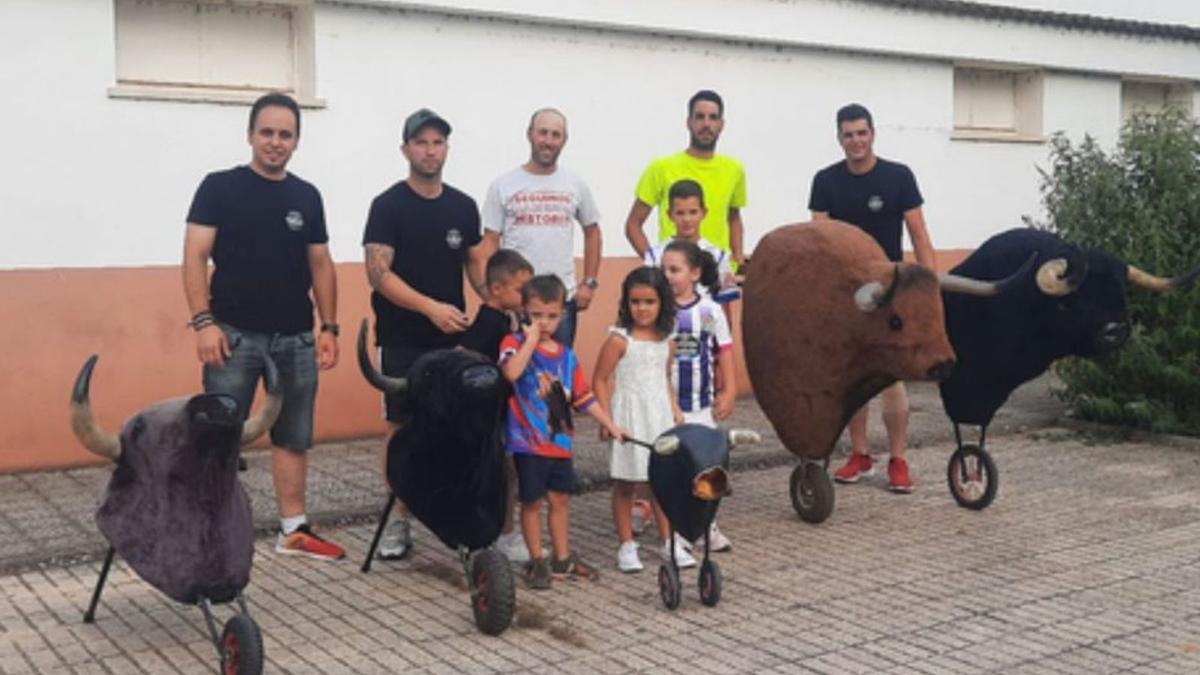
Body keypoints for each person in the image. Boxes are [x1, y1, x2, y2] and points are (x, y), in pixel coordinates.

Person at [182, 92, 344, 561]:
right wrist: (203, 323)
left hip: (294, 337)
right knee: (220, 435)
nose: (275, 142)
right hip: (232, 336)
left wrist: (329, 328)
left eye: (285, 134)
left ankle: (293, 530)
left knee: (293, 434)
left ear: (297, 141)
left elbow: (321, 264)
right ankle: (211, 533)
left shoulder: (306, 196)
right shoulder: (219, 187)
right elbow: (194, 256)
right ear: (251, 135)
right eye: (267, 132)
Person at [363, 108, 489, 559]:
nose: (429, 151)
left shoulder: (462, 206)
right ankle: (398, 523)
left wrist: (498, 302)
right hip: (402, 340)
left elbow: (475, 266)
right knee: (401, 429)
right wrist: (430, 308)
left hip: (451, 343)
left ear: (446, 150)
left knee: (454, 430)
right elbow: (379, 274)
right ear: (405, 149)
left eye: (437, 143)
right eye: (421, 143)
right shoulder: (388, 205)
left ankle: (456, 523)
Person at [808, 102, 935, 494]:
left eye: (862, 133)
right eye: (848, 134)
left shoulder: (898, 177)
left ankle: (898, 459)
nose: (856, 140)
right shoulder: (825, 181)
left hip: (892, 291)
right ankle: (860, 454)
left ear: (873, 134)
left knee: (892, 378)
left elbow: (919, 236)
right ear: (839, 138)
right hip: (849, 294)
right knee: (855, 377)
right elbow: (820, 241)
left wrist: (928, 289)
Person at [500, 275, 627, 589]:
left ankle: (562, 557)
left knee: (560, 500)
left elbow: (583, 397)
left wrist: (608, 423)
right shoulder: (513, 344)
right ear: (524, 313)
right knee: (531, 502)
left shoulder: (567, 356)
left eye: (552, 316)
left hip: (560, 443)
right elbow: (511, 373)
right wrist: (529, 340)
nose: (544, 322)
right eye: (537, 315)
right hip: (528, 445)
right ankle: (536, 558)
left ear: (563, 315)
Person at [593, 267, 692, 573]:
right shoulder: (619, 340)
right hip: (628, 418)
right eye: (635, 302)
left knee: (659, 483)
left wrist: (674, 407)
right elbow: (600, 379)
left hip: (658, 415)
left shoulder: (667, 339)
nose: (642, 309)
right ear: (627, 303)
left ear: (662, 302)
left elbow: (664, 377)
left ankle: (669, 542)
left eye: (649, 302)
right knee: (625, 483)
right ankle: (626, 545)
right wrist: (607, 420)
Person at [480, 108, 603, 347]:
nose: (548, 141)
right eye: (543, 133)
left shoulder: (575, 184)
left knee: (556, 375)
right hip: (517, 303)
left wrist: (589, 283)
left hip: (560, 302)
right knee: (513, 374)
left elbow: (593, 232)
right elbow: (490, 242)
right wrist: (493, 296)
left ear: (564, 140)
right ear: (530, 134)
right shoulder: (503, 185)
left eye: (556, 135)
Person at [458, 248, 534, 562]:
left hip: (499, 414)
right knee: (497, 475)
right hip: (486, 418)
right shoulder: (488, 324)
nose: (527, 296)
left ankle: (501, 533)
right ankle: (495, 535)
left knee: (506, 474)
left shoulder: (506, 319)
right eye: (521, 289)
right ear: (498, 289)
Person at [660, 240, 737, 550]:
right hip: (666, 404)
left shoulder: (709, 310)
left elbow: (725, 351)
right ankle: (678, 528)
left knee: (706, 465)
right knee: (675, 467)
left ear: (694, 273)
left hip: (701, 403)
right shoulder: (659, 311)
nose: (667, 275)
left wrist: (730, 389)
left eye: (674, 269)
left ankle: (709, 524)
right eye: (663, 269)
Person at [625, 89, 748, 269]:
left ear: (721, 124)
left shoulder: (734, 169)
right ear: (689, 123)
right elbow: (633, 225)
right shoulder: (661, 168)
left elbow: (734, 218)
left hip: (716, 273)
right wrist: (657, 263)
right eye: (699, 117)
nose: (706, 124)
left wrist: (737, 261)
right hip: (674, 275)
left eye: (713, 118)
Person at [643, 179, 740, 303]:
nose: (687, 219)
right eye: (680, 213)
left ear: (704, 213)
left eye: (693, 212)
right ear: (669, 215)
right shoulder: (654, 255)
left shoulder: (719, 256)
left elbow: (725, 304)